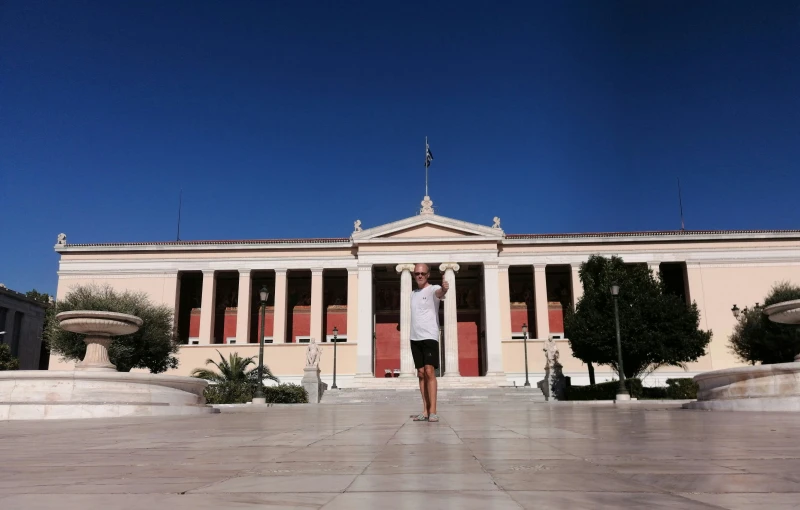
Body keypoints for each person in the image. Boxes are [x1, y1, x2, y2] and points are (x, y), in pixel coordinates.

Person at [410, 263, 449, 423]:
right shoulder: (413, 293)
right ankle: (425, 411)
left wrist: (444, 288)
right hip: (415, 337)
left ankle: (433, 411)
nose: (419, 276)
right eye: (417, 273)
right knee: (420, 374)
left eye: (422, 273)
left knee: (429, 371)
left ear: (428, 275)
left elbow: (440, 293)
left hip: (430, 336)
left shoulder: (433, 289)